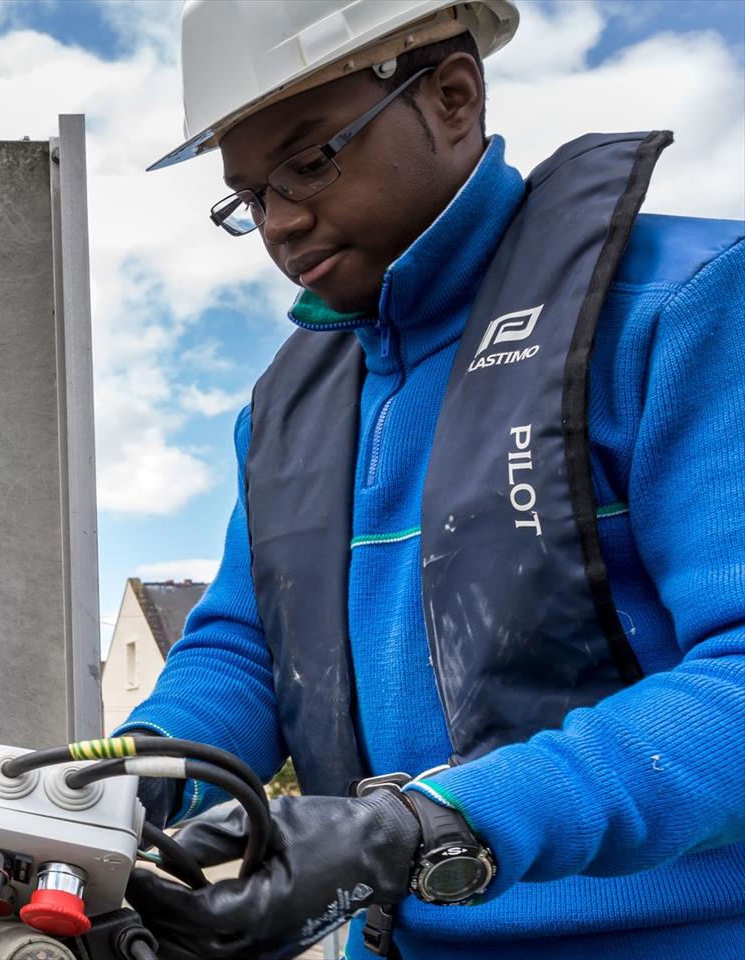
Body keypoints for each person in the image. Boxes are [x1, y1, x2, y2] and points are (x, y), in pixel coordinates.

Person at [116, 2, 745, 958]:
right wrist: (133, 783)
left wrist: (426, 824)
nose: (281, 222)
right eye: (248, 198)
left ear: (452, 95)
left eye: (311, 160)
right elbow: (246, 648)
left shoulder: (680, 309)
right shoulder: (288, 410)